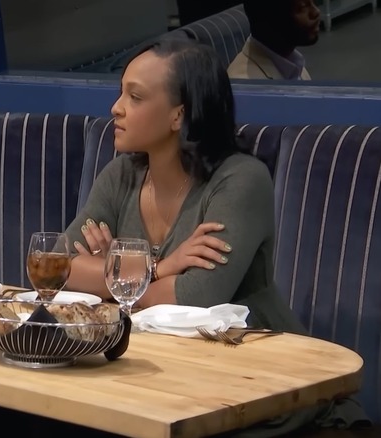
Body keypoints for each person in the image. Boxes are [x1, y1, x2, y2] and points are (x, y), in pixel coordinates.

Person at [64, 38, 368, 436]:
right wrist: (159, 269)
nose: (116, 108)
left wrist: (113, 280)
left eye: (135, 97)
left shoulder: (240, 180)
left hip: (264, 391)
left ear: (178, 115)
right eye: (120, 93)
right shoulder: (121, 176)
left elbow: (198, 297)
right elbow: (57, 267)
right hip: (168, 383)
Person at [227, 0, 320, 80]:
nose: (316, 12)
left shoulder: (294, 64)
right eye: (303, 7)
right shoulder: (246, 88)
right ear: (272, 18)